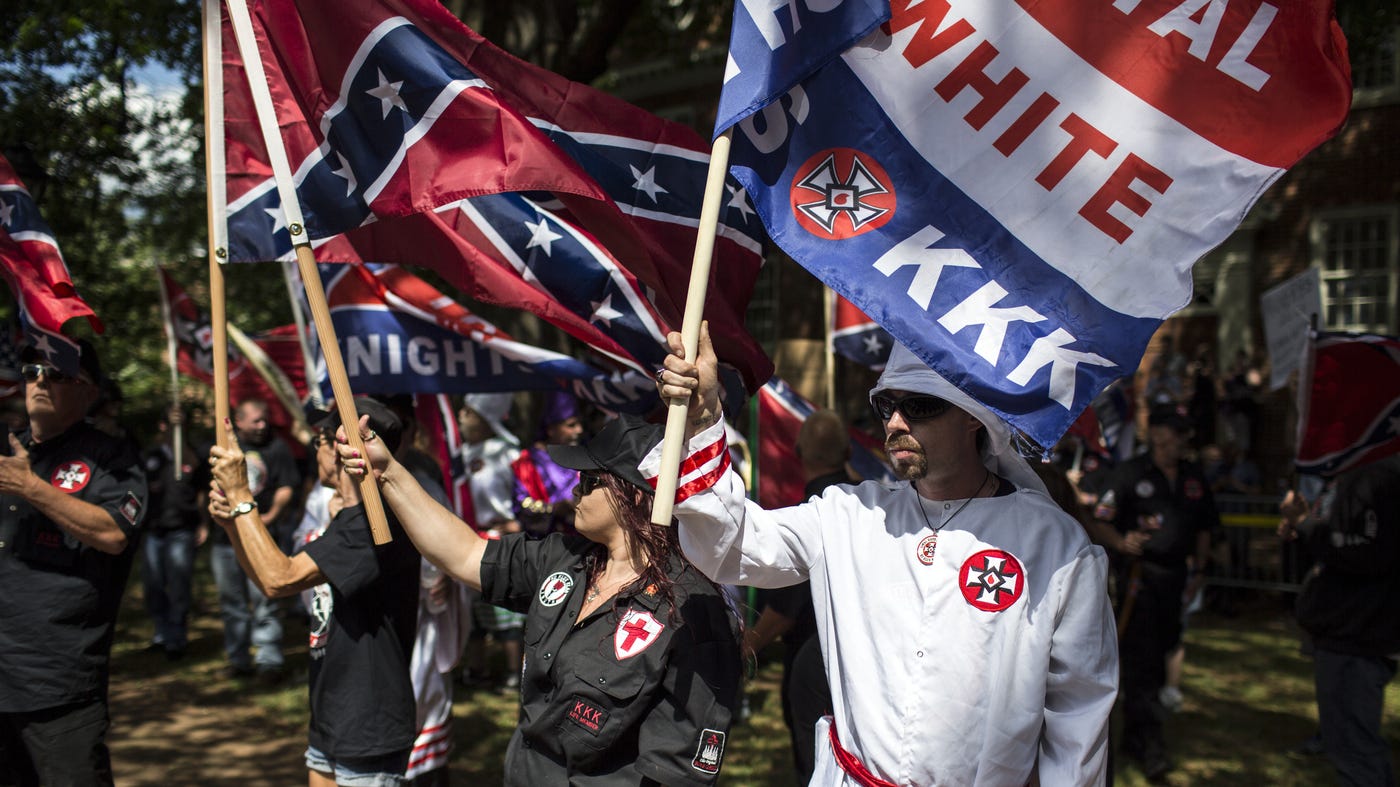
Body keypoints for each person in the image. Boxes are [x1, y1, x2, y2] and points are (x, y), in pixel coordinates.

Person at [656, 326, 1118, 785]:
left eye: (919, 406)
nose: (895, 423)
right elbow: (736, 545)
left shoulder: (1055, 547)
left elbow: (1078, 717)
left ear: (974, 415)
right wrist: (704, 416)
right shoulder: (849, 514)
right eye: (886, 405)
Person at [339, 412, 743, 785]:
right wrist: (387, 470)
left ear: (635, 495)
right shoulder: (563, 558)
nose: (574, 490)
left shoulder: (693, 609)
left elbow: (676, 773)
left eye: (590, 481)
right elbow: (463, 553)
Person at [208, 399, 421, 787]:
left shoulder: (377, 527)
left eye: (321, 440)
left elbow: (279, 579)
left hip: (368, 722)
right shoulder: (347, 521)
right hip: (331, 713)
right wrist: (231, 525)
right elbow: (268, 579)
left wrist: (242, 497)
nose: (315, 450)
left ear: (342, 451)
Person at [0, 341, 148, 786]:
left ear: (90, 392)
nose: (40, 381)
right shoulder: (9, 451)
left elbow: (113, 534)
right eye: (32, 371)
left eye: (59, 374)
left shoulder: (112, 458)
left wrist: (32, 488)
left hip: (58, 685)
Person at [1089, 402, 1218, 781]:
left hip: (1177, 578)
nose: (1181, 440)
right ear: (1158, 434)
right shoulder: (1130, 473)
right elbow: (1101, 520)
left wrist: (1201, 569)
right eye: (1174, 432)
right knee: (1140, 660)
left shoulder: (1193, 476)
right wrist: (1121, 541)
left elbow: (1206, 526)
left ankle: (1134, 735)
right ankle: (1151, 743)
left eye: (1183, 433)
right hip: (1139, 581)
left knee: (1164, 652)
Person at [745, 409, 855, 784]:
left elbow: (784, 609)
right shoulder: (870, 511)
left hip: (815, 666)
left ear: (799, 451)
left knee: (817, 767)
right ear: (847, 454)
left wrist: (742, 649)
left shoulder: (817, 513)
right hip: (862, 666)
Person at [1280, 455, 1400, 786]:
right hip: (1347, 634)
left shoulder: (1375, 478)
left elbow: (1364, 552)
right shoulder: (1352, 475)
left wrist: (1306, 524)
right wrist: (1302, 530)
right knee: (1351, 746)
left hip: (1358, 635)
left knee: (1355, 751)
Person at [211, 398, 299, 682]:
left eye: (265, 420)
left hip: (261, 538)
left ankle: (269, 660)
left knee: (265, 598)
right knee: (231, 600)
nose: (262, 426)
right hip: (226, 538)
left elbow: (287, 486)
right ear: (239, 421)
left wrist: (270, 516)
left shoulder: (277, 447)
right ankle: (238, 660)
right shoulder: (224, 448)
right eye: (256, 421)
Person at [141, 408, 208, 660]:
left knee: (179, 584)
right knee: (154, 584)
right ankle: (161, 632)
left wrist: (203, 523)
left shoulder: (190, 454)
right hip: (155, 530)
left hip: (182, 529)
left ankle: (177, 638)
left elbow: (201, 489)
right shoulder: (152, 456)